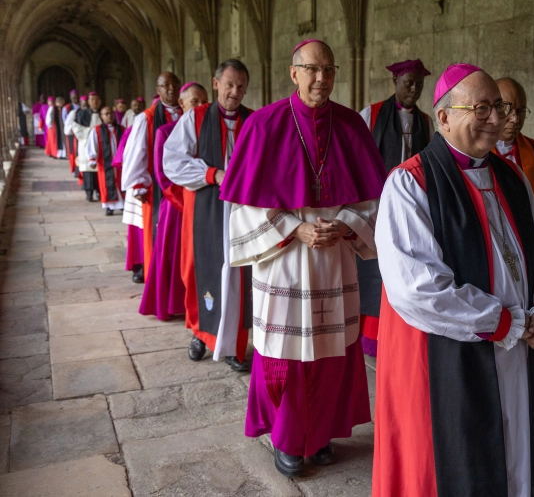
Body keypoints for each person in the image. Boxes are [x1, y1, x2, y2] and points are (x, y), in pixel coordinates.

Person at [371, 63, 534, 497]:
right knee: (457, 460)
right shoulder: (411, 183)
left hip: (518, 347)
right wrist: (504, 321)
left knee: (518, 450)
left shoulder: (513, 177)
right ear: (444, 118)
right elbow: (416, 287)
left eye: (498, 108)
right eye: (481, 109)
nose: (497, 120)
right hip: (451, 353)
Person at [219, 40, 384, 477]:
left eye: (328, 70)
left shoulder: (351, 125)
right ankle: (289, 437)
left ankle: (323, 433)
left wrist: (346, 224)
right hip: (285, 260)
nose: (321, 79)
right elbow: (244, 209)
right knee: (287, 354)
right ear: (294, 73)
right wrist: (296, 227)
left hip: (333, 259)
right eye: (312, 69)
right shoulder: (264, 125)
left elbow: (373, 201)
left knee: (331, 351)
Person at [163, 61, 252, 372]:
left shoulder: (254, 122)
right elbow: (172, 161)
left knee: (239, 277)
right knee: (199, 272)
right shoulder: (196, 118)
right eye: (229, 84)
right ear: (216, 84)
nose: (234, 92)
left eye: (241, 86)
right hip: (206, 208)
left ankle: (234, 346)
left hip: (243, 212)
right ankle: (199, 333)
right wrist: (213, 174)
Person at [356, 58, 435, 357]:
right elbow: (356, 158)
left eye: (418, 84)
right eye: (408, 83)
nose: (413, 89)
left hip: (411, 210)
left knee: (407, 267)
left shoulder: (426, 122)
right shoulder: (372, 115)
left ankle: (401, 334)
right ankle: (371, 338)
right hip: (375, 207)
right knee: (373, 269)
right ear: (395, 82)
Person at [139, 82, 208, 320]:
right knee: (175, 257)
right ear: (182, 104)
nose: (201, 107)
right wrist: (187, 204)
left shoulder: (210, 130)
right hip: (178, 206)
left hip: (206, 206)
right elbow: (163, 175)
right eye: (195, 102)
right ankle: (174, 304)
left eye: (204, 102)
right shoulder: (166, 131)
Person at [122, 72, 182, 283]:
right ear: (158, 90)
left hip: (184, 186)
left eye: (175, 84)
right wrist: (138, 183)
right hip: (155, 186)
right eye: (165, 85)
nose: (171, 89)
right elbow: (137, 153)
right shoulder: (145, 118)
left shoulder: (189, 113)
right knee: (155, 234)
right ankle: (157, 279)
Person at [493, 77, 534, 221]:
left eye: (520, 111)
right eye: (507, 109)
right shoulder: (478, 151)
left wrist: (533, 215)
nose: (515, 119)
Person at [113, 125, 145, 284]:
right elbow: (125, 157)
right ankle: (140, 265)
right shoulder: (141, 124)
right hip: (143, 182)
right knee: (140, 227)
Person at [86, 106, 125, 216]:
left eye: (111, 113)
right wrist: (92, 159)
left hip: (120, 163)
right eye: (106, 114)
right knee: (107, 185)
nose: (109, 116)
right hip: (105, 163)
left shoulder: (121, 129)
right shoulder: (97, 130)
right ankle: (109, 207)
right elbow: (92, 145)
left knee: (121, 183)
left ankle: (122, 205)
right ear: (101, 117)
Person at [72, 92, 103, 201]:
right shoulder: (81, 114)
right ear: (88, 102)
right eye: (92, 100)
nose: (94, 102)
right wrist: (92, 132)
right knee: (88, 170)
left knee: (100, 170)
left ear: (100, 101)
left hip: (101, 146)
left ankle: (100, 192)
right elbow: (76, 128)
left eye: (96, 99)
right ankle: (89, 192)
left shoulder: (104, 113)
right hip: (86, 144)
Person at [62, 91, 81, 173]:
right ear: (70, 98)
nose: (75, 99)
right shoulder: (66, 108)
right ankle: (73, 168)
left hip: (80, 133)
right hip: (71, 134)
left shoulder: (82, 106)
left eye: (76, 97)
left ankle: (79, 169)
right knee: (72, 151)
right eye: (73, 97)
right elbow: (65, 120)